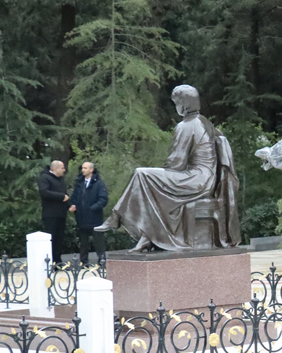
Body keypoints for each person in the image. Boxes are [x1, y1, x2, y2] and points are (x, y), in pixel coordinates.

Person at [95, 85, 240, 253]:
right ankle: (146, 236)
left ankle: (117, 217)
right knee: (149, 182)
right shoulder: (204, 121)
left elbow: (176, 162)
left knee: (142, 174)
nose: (176, 107)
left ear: (183, 105)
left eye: (176, 103)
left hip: (196, 179)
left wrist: (162, 175)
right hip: (205, 180)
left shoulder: (187, 125)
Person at [69, 161, 109, 265]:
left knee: (98, 241)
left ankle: (102, 261)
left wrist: (93, 208)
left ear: (91, 170)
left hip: (95, 217)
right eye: (82, 168)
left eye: (85, 168)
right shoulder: (79, 183)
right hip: (81, 217)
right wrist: (74, 205)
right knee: (83, 242)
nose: (83, 170)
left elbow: (103, 199)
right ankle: (84, 262)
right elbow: (74, 197)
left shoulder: (98, 183)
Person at [37, 160, 70, 263]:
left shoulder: (60, 180)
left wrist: (69, 205)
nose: (64, 170)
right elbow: (44, 192)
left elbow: (65, 194)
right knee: (51, 238)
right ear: (56, 169)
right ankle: (49, 261)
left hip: (61, 214)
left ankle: (57, 261)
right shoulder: (45, 178)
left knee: (59, 239)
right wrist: (61, 197)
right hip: (50, 214)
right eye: (62, 168)